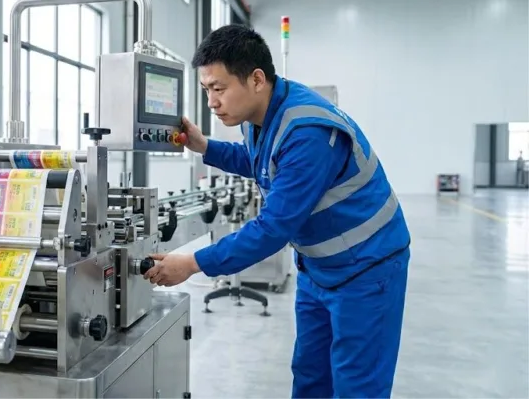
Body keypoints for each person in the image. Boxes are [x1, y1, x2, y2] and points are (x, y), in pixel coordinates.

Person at [143, 24, 411, 398]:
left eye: (218, 89)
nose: (211, 102)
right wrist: (205, 146)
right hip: (319, 269)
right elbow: (260, 162)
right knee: (310, 375)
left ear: (255, 79)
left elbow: (272, 229)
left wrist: (192, 263)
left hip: (368, 268)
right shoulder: (263, 116)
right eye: (206, 90)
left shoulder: (307, 133)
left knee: (356, 385)